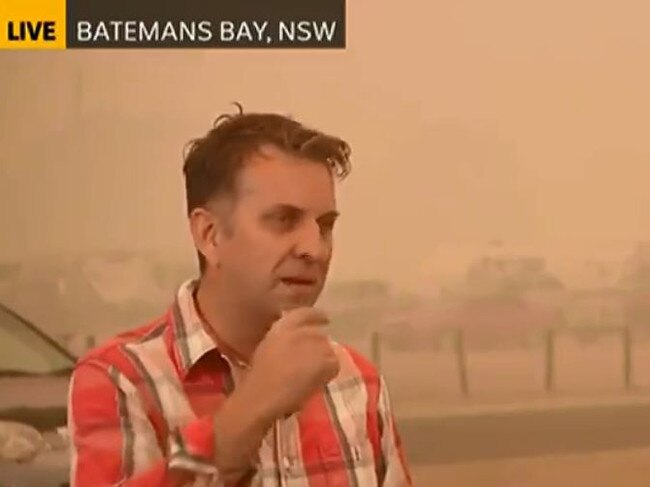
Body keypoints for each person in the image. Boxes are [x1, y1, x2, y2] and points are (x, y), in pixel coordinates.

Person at [67, 105, 413, 487]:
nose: (314, 249)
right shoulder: (122, 380)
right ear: (210, 235)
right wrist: (249, 408)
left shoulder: (357, 381)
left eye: (325, 226)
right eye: (283, 220)